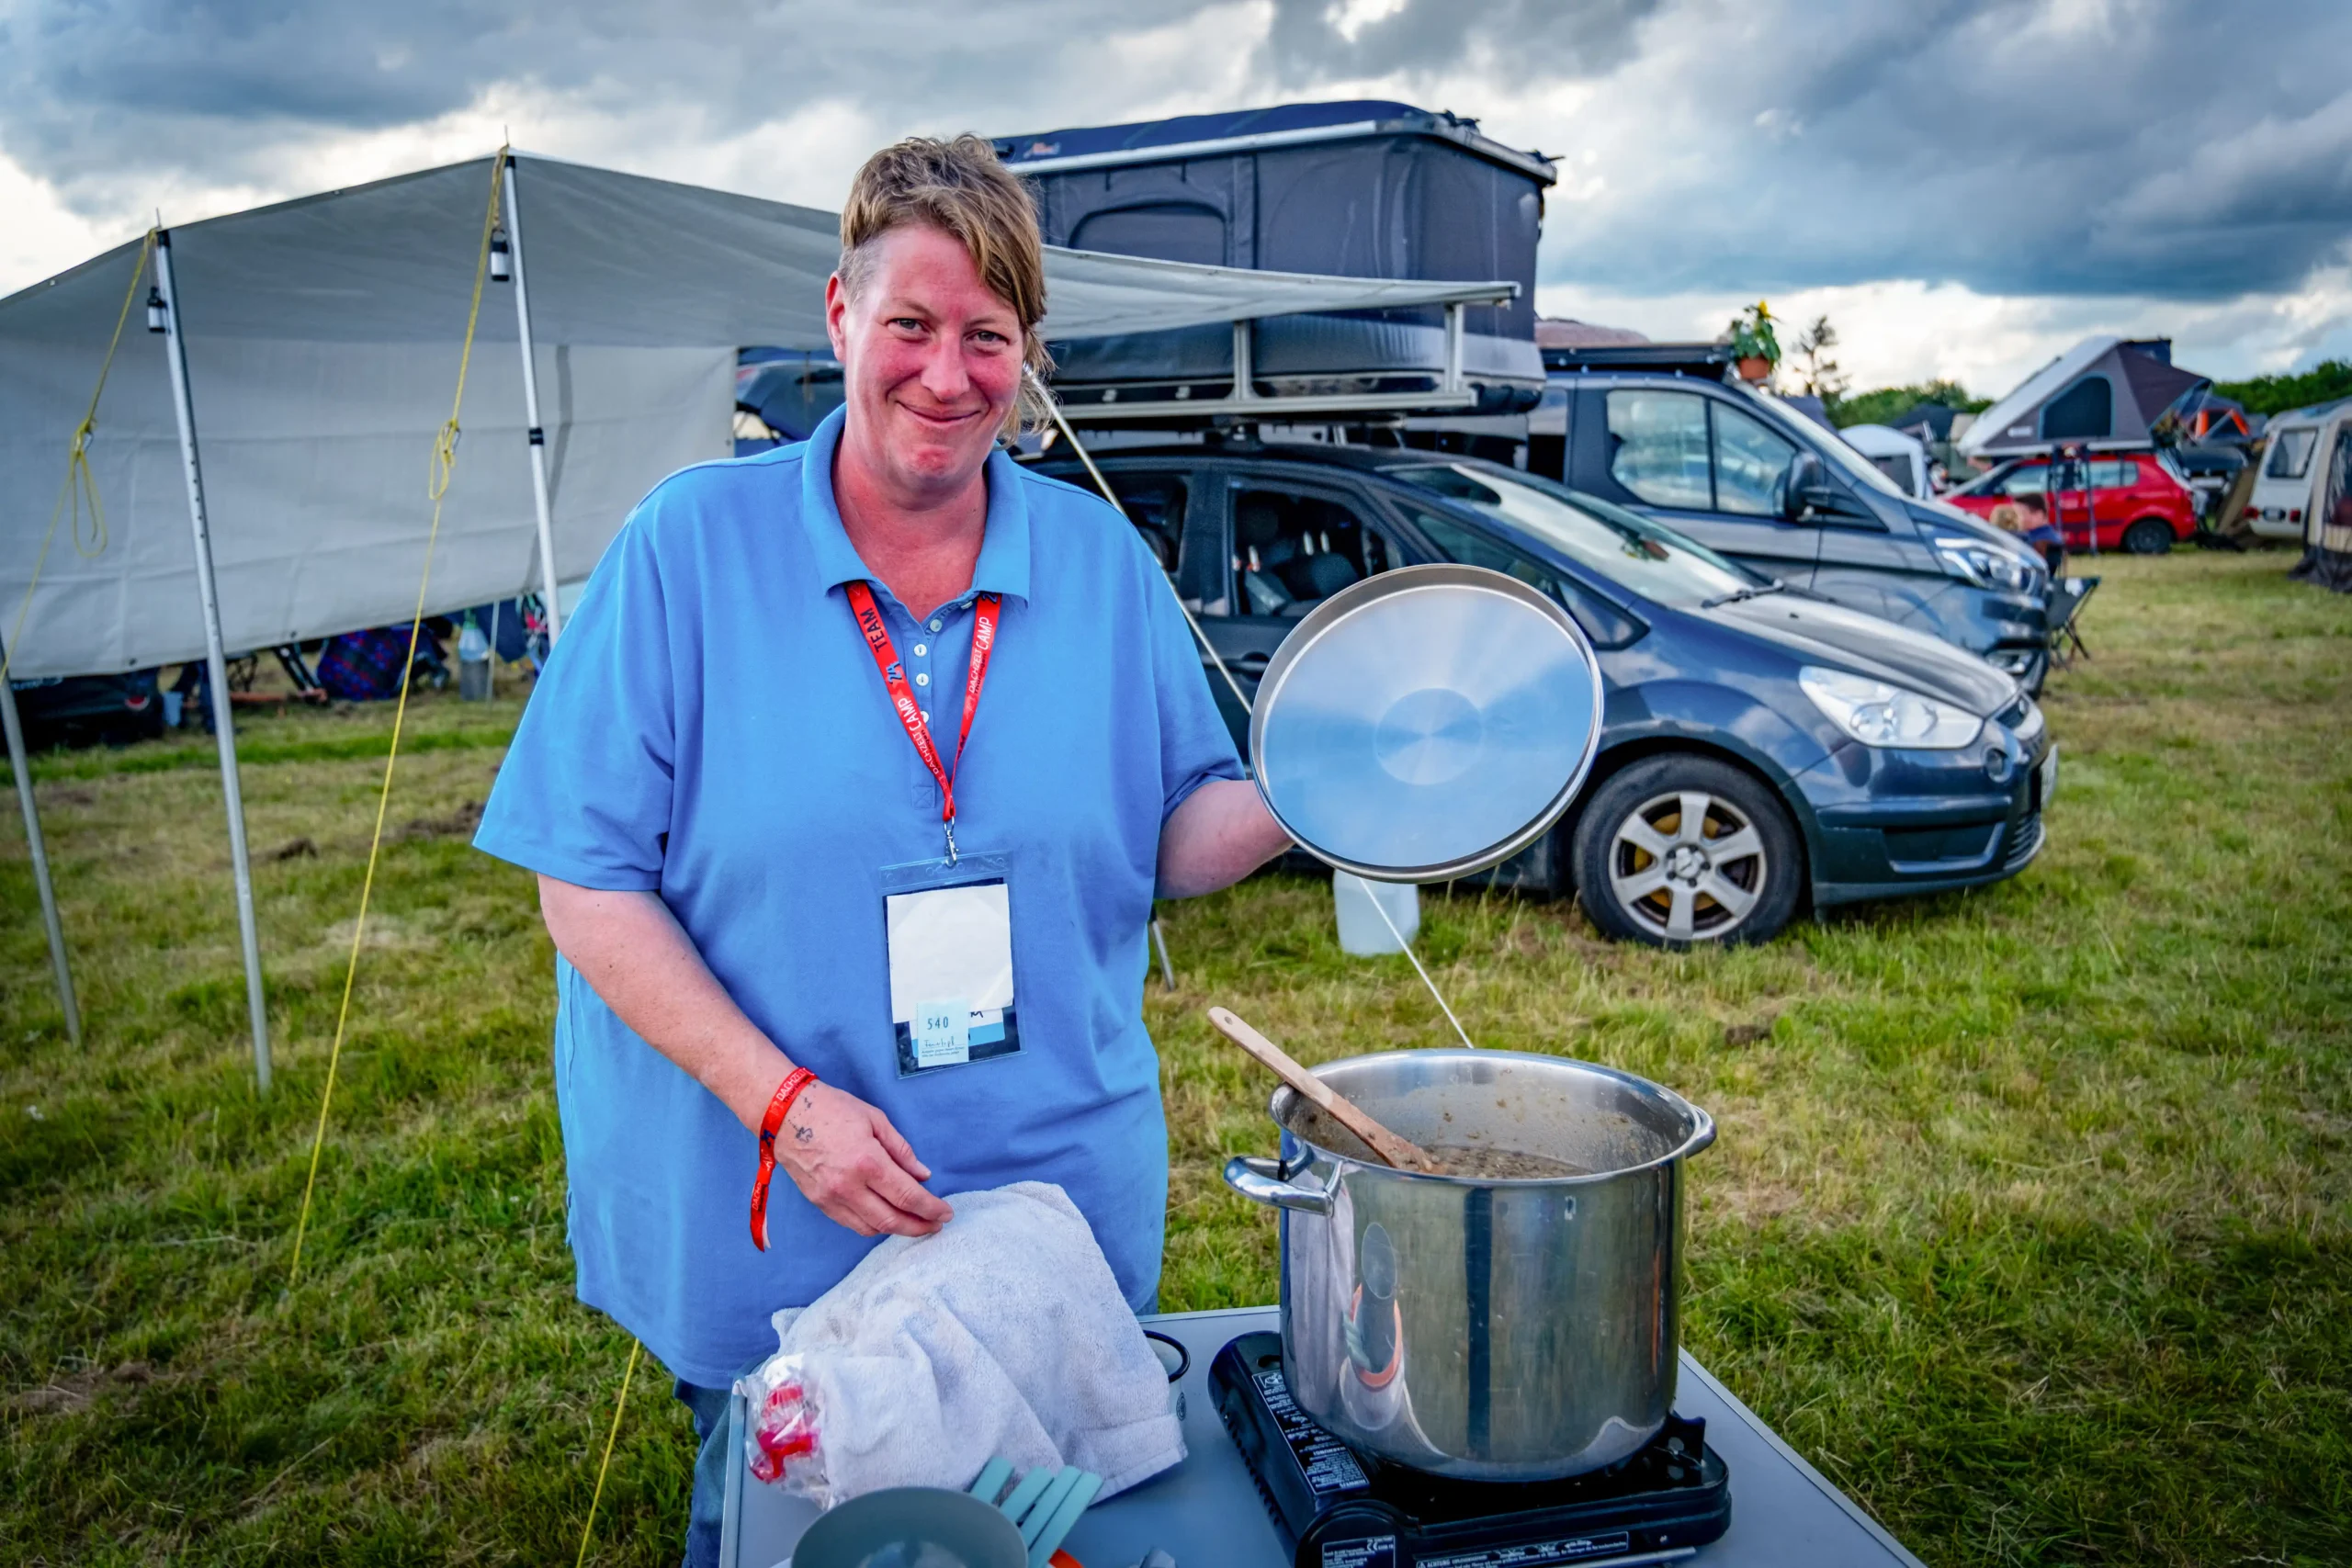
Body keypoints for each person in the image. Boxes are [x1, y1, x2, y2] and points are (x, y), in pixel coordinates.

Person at [471, 135, 1292, 1563]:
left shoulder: (1097, 562)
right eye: (910, 323)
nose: (945, 371)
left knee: (1043, 1517)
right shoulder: (688, 548)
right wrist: (785, 1105)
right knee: (802, 1520)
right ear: (841, 316)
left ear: (1026, 353)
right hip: (777, 1187)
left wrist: (1325, 789)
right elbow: (584, 878)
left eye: (988, 335)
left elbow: (1174, 831)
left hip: (1047, 1185)